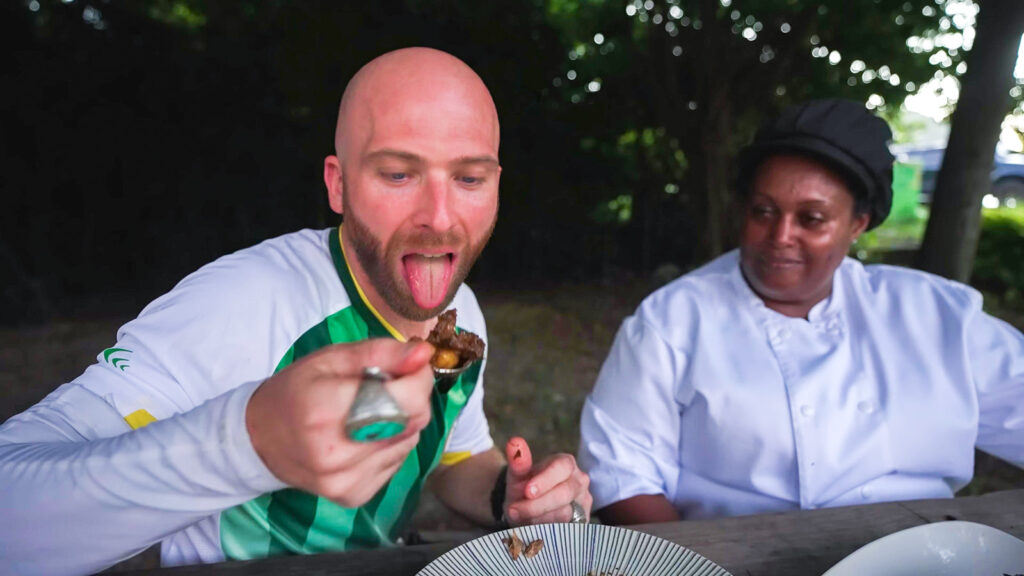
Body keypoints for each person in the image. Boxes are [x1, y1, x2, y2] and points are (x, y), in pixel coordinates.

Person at [0, 48, 592, 575]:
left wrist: (512, 496)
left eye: (468, 177)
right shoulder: (240, 302)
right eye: (397, 173)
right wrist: (246, 441)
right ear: (338, 185)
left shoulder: (460, 313)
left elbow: (455, 456)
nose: (439, 217)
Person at [578, 99, 1024, 525]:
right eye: (763, 211)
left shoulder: (936, 315)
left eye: (811, 218)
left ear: (858, 223)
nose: (781, 235)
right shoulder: (673, 320)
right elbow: (623, 473)